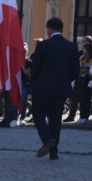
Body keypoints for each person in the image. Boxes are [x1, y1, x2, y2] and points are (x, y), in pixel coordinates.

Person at [30, 17, 80, 160]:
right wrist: (65, 81)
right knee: (55, 120)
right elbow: (75, 71)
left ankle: (47, 139)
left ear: (49, 29)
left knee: (38, 115)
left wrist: (34, 76)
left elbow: (35, 68)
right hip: (61, 89)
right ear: (61, 30)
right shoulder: (71, 47)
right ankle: (54, 152)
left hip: (43, 88)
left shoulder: (43, 46)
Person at [65, 42, 92, 123]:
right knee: (80, 98)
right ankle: (81, 116)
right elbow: (78, 66)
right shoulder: (82, 57)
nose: (83, 50)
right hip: (80, 79)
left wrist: (83, 69)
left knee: (86, 99)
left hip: (87, 79)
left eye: (84, 49)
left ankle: (85, 116)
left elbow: (88, 68)